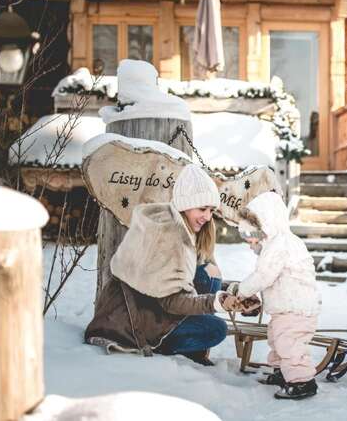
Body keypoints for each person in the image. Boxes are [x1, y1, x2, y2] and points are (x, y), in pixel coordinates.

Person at [85, 164, 252, 366]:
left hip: (154, 309)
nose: (208, 217)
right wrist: (216, 302)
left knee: (209, 273)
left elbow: (185, 281)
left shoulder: (185, 228)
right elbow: (171, 302)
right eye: (202, 209)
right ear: (185, 205)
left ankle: (191, 350)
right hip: (133, 321)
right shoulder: (168, 236)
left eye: (210, 210)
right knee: (216, 329)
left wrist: (236, 293)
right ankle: (168, 347)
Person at [233, 191, 321, 400]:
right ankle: (282, 372)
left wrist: (242, 290)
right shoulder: (277, 243)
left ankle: (302, 382)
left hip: (296, 309)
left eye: (254, 234)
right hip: (286, 309)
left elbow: (264, 275)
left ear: (268, 224)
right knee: (277, 338)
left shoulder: (280, 244)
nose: (253, 241)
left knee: (289, 344)